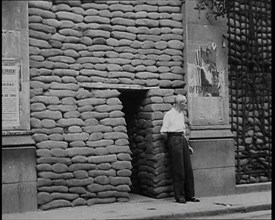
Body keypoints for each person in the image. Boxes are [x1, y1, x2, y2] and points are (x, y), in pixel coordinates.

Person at [160, 94, 200, 204]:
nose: (186, 105)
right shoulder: (168, 115)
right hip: (174, 139)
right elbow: (163, 132)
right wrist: (171, 143)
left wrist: (188, 145)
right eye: (184, 103)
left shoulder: (181, 114)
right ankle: (180, 196)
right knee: (179, 170)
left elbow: (183, 132)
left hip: (182, 140)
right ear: (179, 103)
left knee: (188, 169)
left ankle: (190, 195)